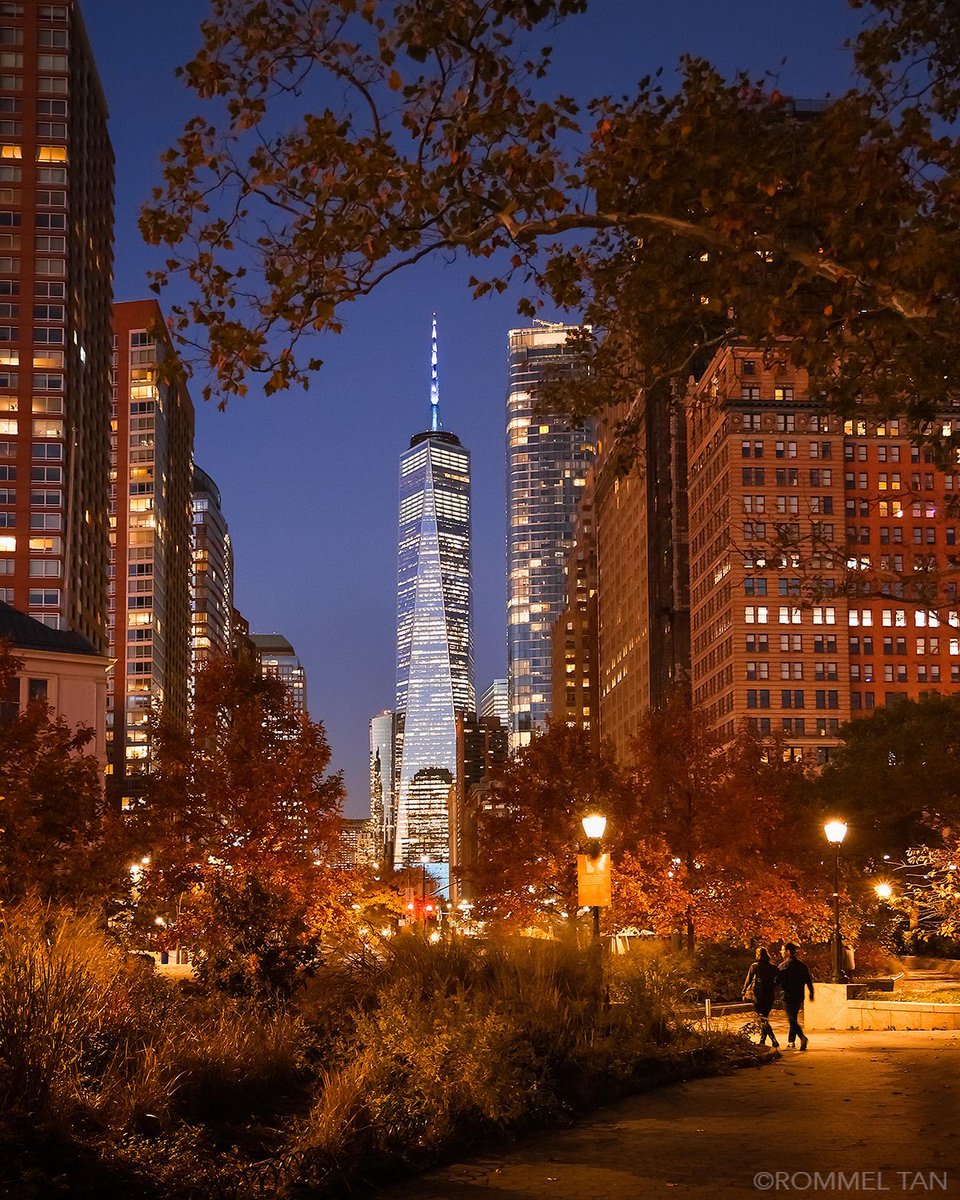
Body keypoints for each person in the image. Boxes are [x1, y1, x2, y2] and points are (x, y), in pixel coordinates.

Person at [779, 942, 815, 1050]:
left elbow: (777, 981)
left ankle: (801, 1037)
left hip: (787, 995)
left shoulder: (783, 966)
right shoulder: (801, 965)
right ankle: (791, 1041)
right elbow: (808, 980)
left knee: (791, 1019)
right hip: (799, 995)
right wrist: (811, 992)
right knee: (793, 1017)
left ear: (788, 951)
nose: (781, 952)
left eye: (783, 950)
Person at [742, 947, 780, 1048]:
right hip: (770, 995)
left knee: (762, 1018)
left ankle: (773, 1039)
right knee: (765, 1017)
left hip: (759, 994)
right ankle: (762, 1040)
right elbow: (779, 980)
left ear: (758, 955)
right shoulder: (773, 967)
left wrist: (744, 991)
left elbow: (748, 979)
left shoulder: (755, 966)